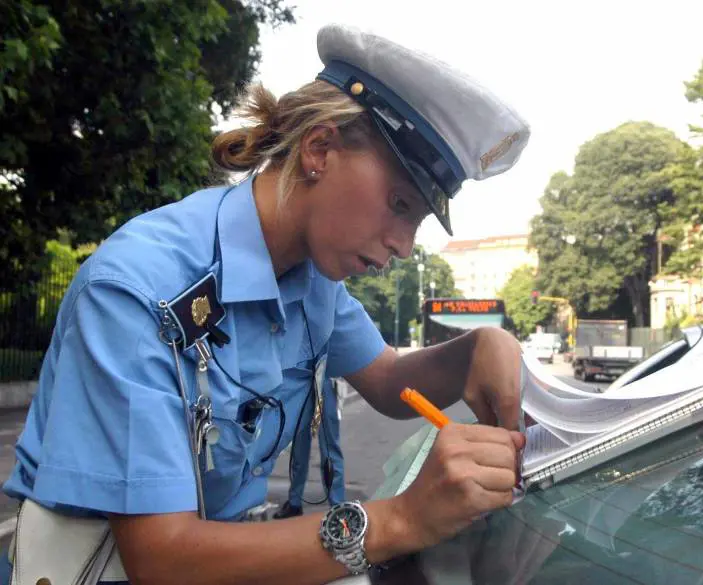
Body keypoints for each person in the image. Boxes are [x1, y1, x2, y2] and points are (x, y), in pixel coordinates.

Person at [1, 23, 530, 585]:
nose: (403, 245)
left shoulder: (311, 279)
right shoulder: (139, 287)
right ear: (319, 149)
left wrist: (474, 350)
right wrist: (401, 520)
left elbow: (388, 381)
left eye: (418, 221)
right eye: (400, 203)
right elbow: (161, 557)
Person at [273, 376, 346, 519]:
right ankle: (295, 502)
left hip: (327, 378)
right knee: (299, 448)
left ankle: (338, 506)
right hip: (302, 379)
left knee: (330, 448)